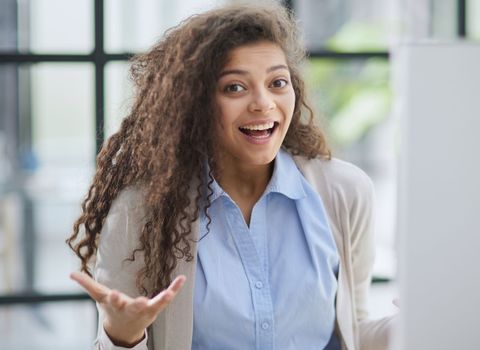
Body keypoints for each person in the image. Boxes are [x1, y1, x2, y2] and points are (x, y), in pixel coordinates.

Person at [66, 2, 394, 350]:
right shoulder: (142, 210)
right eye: (235, 88)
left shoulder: (345, 191)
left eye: (277, 82)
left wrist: (408, 325)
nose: (263, 103)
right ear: (195, 103)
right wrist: (123, 335)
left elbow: (355, 328)